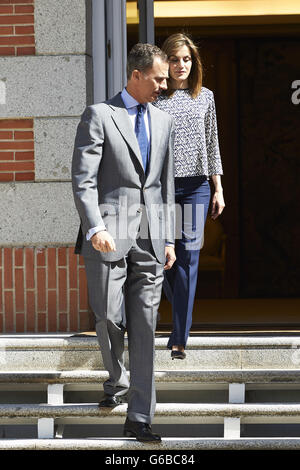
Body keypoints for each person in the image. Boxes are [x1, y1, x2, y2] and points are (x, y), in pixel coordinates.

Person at [71, 43, 176, 442]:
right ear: (136, 75)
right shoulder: (100, 115)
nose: (164, 86)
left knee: (146, 325)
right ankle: (116, 381)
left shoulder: (163, 121)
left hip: (150, 238)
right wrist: (95, 226)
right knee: (108, 318)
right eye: (158, 78)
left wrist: (168, 240)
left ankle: (140, 417)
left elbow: (164, 186)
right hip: (107, 236)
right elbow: (84, 179)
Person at [153, 33, 225, 360]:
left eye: (186, 59)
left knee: (189, 258)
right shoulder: (154, 99)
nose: (181, 65)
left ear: (193, 62)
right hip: (162, 188)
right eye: (174, 59)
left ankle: (179, 337)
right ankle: (179, 323)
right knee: (165, 259)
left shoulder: (205, 97)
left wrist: (218, 188)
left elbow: (212, 146)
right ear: (164, 62)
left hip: (197, 186)